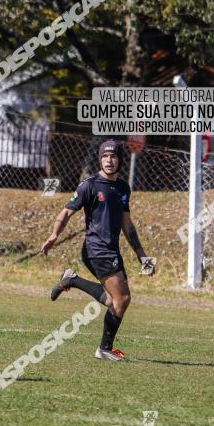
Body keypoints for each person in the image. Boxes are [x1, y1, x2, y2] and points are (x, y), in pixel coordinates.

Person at [40, 139, 155, 361]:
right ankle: (104, 348)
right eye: (105, 156)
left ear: (120, 160)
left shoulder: (123, 188)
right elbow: (66, 212)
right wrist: (54, 235)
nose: (109, 160)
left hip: (112, 250)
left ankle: (72, 280)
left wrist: (142, 256)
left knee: (114, 301)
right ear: (100, 159)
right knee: (123, 299)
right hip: (96, 249)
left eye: (113, 156)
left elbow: (127, 225)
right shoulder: (89, 185)